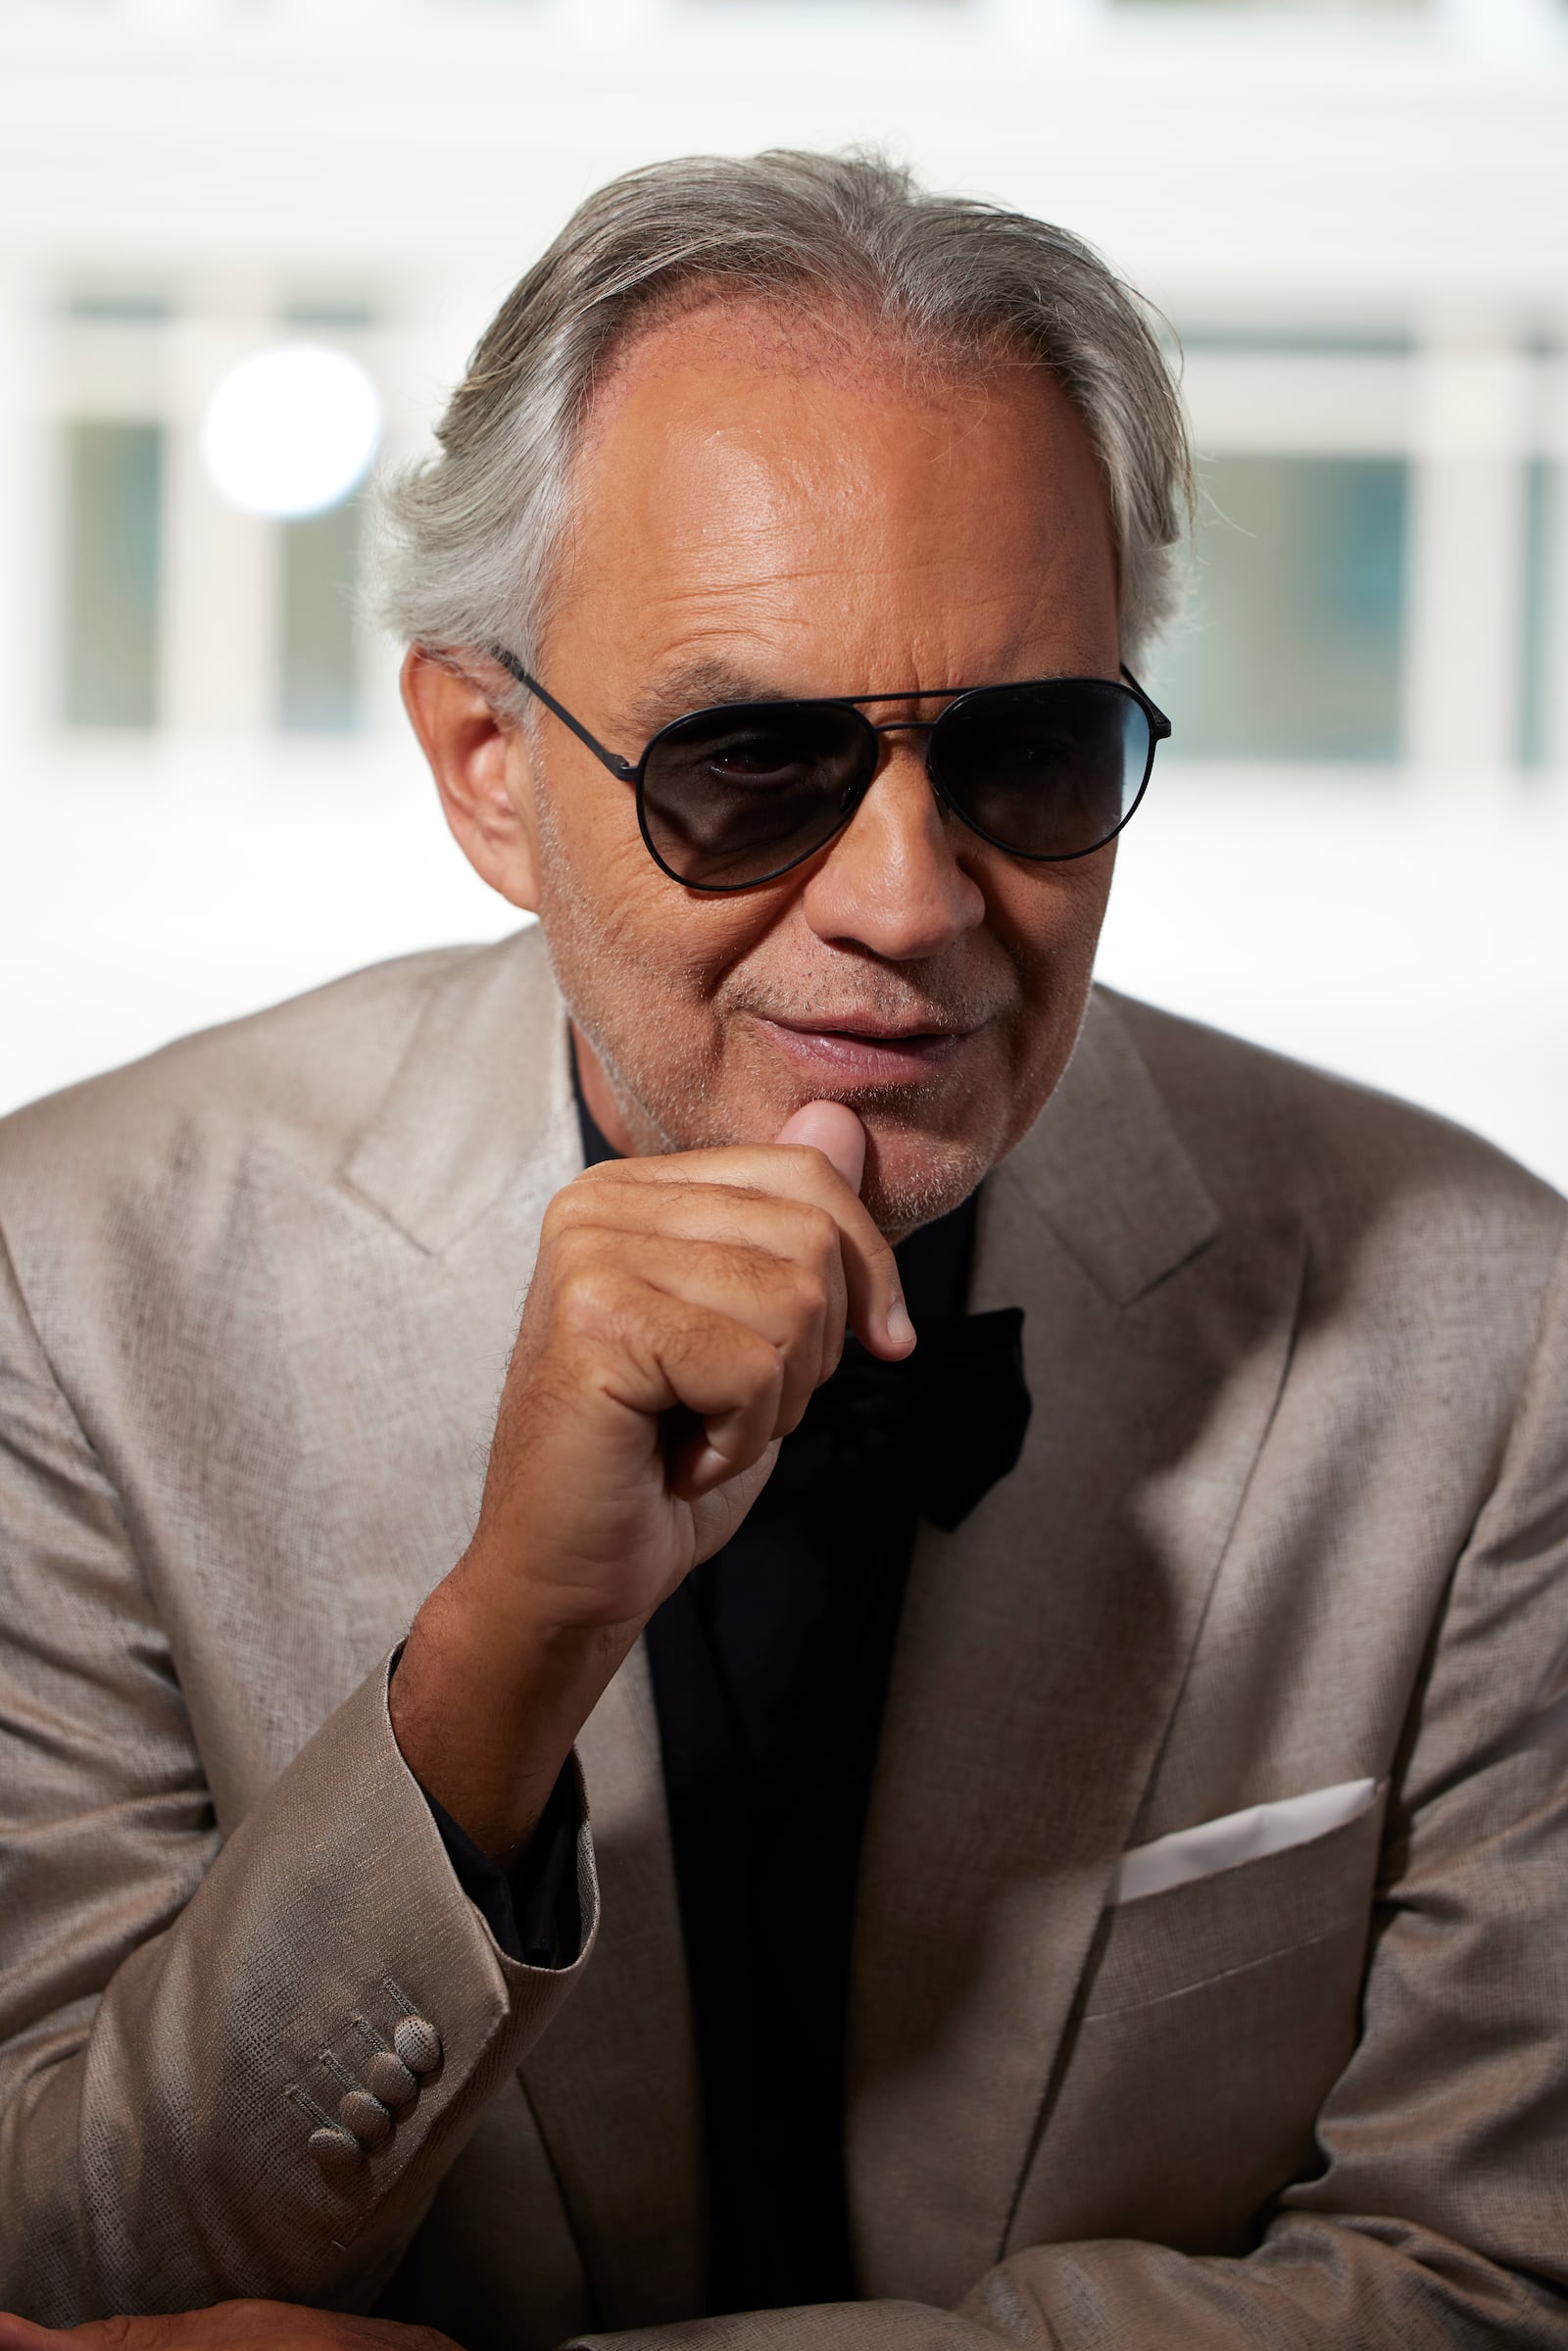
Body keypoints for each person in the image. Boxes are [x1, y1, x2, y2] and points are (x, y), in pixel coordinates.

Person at [0, 148, 1565, 2351]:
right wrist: (498, 1667)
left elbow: (1495, 2291)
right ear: (480, 764)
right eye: (750, 764)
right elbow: (59, 2266)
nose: (909, 904)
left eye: (1025, 752)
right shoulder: (65, 1286)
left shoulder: (1497, 1338)